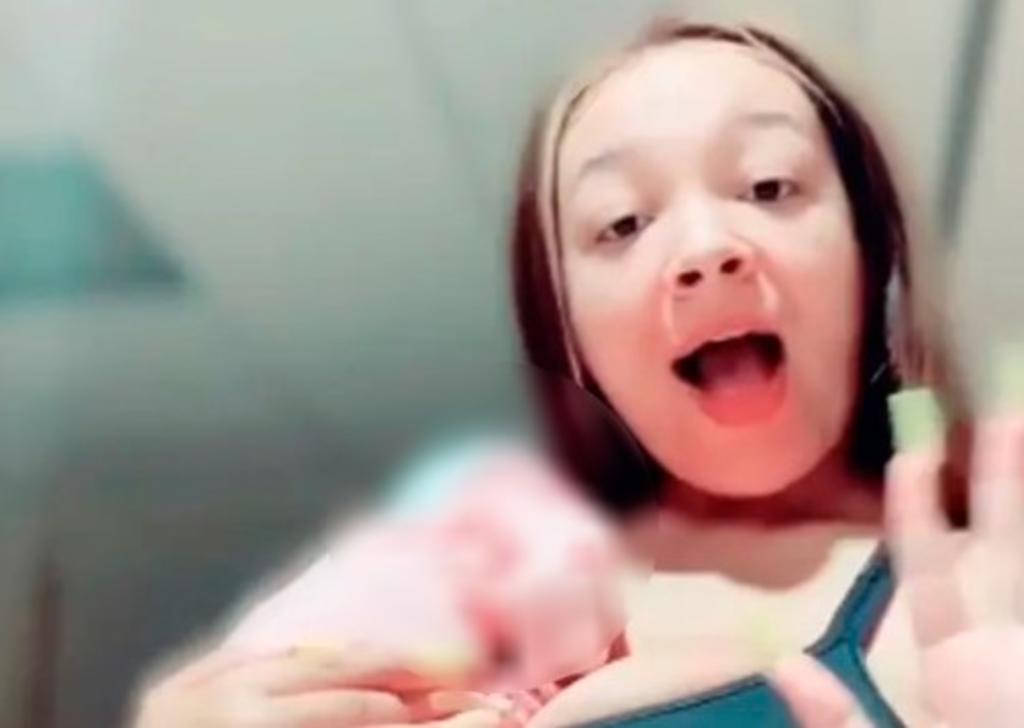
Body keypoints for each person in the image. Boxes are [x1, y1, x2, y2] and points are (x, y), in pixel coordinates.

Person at [131, 15, 1024, 728]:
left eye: (768, 187)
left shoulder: (989, 594)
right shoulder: (447, 597)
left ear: (873, 251)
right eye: (622, 223)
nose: (705, 250)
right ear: (569, 334)